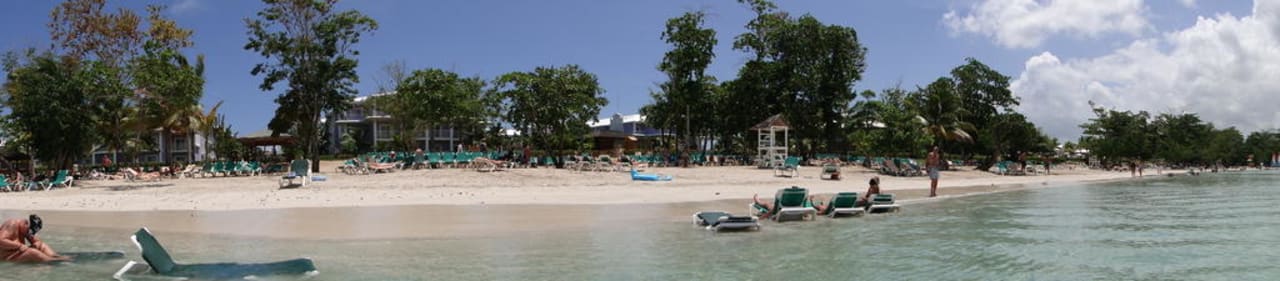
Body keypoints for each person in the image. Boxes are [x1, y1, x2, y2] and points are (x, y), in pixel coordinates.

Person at [0, 214, 67, 263]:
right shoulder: (12, 224)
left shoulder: (25, 228)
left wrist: (41, 247)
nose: (29, 233)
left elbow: (36, 242)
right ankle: (51, 261)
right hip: (6, 256)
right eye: (30, 231)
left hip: (15, 253)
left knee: (40, 244)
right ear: (26, 223)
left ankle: (54, 256)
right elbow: (1, 240)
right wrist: (20, 245)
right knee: (32, 252)